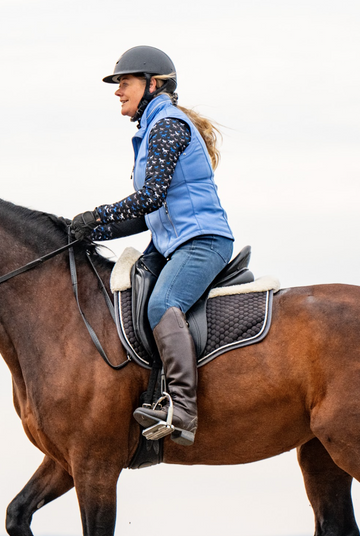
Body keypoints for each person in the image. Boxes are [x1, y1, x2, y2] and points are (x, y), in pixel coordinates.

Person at [71, 46, 235, 447]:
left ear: (153, 84)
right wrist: (89, 233)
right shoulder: (151, 129)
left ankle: (181, 408)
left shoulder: (167, 126)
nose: (118, 91)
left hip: (202, 242)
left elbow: (149, 197)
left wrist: (97, 214)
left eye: (124, 82)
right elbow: (147, 214)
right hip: (169, 245)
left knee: (162, 304)